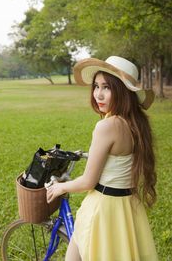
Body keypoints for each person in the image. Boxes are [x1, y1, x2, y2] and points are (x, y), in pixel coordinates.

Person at [47, 56, 158, 261]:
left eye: (106, 87)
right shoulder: (136, 124)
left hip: (103, 207)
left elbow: (88, 181)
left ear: (122, 91)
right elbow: (119, 160)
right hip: (127, 207)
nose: (98, 94)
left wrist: (61, 187)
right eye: (96, 86)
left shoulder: (106, 126)